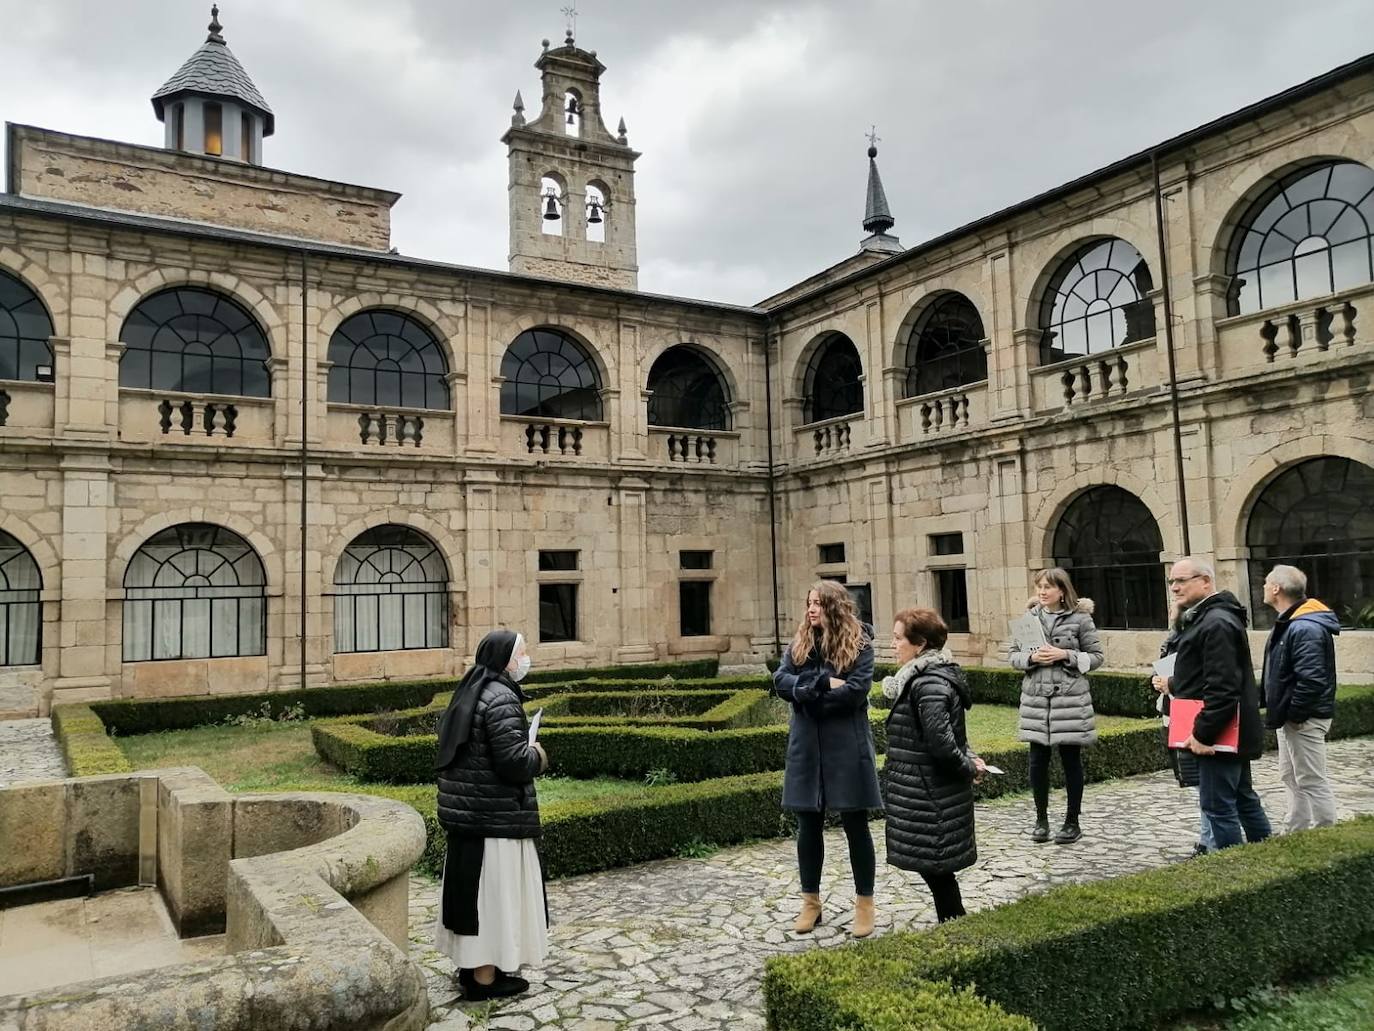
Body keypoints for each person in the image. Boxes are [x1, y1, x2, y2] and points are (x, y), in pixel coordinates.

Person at [434, 629, 550, 1001]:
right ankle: (485, 980)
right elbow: (513, 762)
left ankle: (473, 970)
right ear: (506, 660)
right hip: (494, 819)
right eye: (522, 654)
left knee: (472, 897)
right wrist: (538, 754)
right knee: (492, 899)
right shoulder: (500, 696)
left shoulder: (470, 689)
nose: (525, 660)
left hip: (470, 816)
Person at [772, 580, 883, 938]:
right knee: (808, 825)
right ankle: (810, 903)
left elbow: (855, 691)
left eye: (818, 603)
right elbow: (780, 681)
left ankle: (865, 904)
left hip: (845, 744)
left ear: (834, 606)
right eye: (808, 603)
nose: (811, 609)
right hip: (806, 744)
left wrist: (804, 689)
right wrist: (821, 684)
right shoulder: (799, 643)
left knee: (855, 824)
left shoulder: (860, 644)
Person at [881, 607, 985, 923]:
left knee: (938, 871)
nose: (892, 645)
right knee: (936, 871)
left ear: (921, 644)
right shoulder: (920, 679)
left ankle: (958, 930)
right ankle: (954, 927)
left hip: (929, 794)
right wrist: (970, 757)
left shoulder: (928, 685)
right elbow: (950, 735)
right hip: (923, 790)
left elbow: (942, 745)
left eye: (898, 638)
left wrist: (968, 767)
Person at [1168, 556, 1271, 850]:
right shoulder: (1209, 617)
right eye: (1171, 581)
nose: (1174, 587)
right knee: (1243, 799)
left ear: (1205, 581)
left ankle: (1234, 875)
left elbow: (1222, 688)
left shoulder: (1216, 622)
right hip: (1225, 731)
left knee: (1219, 808)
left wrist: (1203, 734)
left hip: (1220, 735)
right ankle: (1265, 862)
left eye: (1181, 580)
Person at [1009, 567, 1104, 845]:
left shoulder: (1081, 620)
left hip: (1069, 699)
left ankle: (1072, 821)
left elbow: (1096, 657)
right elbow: (1013, 657)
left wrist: (1066, 654)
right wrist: (1031, 659)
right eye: (1039, 586)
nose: (1042, 591)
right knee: (1037, 761)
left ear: (1062, 590)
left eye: (1048, 587)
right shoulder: (1028, 620)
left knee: (1070, 760)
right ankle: (1041, 820)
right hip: (1036, 699)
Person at [1261, 564, 1340, 832]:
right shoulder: (1293, 623)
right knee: (1291, 775)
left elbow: (1312, 680)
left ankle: (1325, 833)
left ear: (1276, 589)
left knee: (1311, 779)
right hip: (1292, 718)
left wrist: (1295, 715)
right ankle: (1298, 829)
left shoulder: (1304, 627)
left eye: (1265, 583)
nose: (1263, 587)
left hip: (1303, 719)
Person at [1152, 603, 1215, 856]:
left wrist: (1171, 684)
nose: (1171, 612)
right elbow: (1162, 673)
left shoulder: (1196, 639)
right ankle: (1207, 836)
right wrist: (1158, 682)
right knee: (1193, 780)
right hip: (1173, 713)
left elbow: (1196, 680)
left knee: (1205, 784)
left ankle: (1209, 839)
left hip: (1192, 713)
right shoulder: (1172, 639)